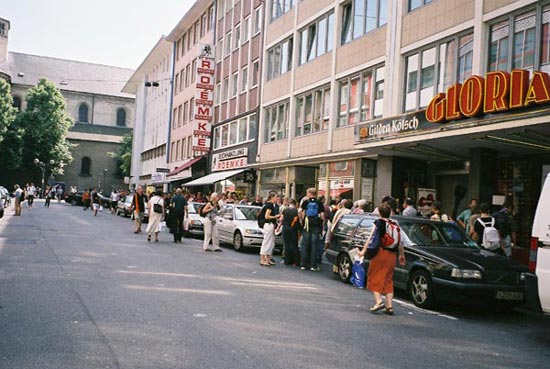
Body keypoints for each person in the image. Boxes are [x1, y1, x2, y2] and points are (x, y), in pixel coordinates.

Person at [358, 203, 406, 315]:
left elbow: (370, 238)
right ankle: (389, 306)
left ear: (379, 212)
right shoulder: (395, 223)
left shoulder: (379, 223)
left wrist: (363, 252)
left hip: (380, 252)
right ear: (390, 212)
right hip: (392, 255)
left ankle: (379, 302)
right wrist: (401, 255)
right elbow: (401, 241)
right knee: (388, 279)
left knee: (374, 276)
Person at [299, 188, 325, 271]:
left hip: (307, 225)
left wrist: (301, 220)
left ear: (310, 193)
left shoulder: (306, 202)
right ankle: (313, 265)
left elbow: (300, 211)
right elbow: (322, 215)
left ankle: (303, 264)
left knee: (305, 245)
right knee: (314, 246)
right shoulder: (319, 203)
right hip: (316, 226)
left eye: (307, 193)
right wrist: (321, 223)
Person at [258, 193, 281, 266]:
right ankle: (262, 259)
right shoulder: (270, 205)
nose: (277, 199)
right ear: (271, 197)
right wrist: (276, 216)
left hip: (270, 225)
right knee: (267, 241)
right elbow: (267, 216)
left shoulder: (269, 205)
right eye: (275, 197)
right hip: (268, 224)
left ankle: (267, 258)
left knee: (271, 242)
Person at [281, 198, 300, 266]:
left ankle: (287, 260)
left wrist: (278, 227)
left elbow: (281, 219)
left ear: (289, 203)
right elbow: (299, 220)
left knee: (286, 244)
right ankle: (295, 261)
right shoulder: (296, 211)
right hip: (293, 228)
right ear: (295, 204)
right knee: (294, 244)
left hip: (285, 227)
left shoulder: (285, 210)